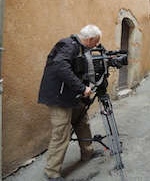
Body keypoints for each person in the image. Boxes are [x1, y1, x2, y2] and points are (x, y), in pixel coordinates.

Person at [38, 24, 104, 181]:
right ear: (90, 39)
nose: (96, 45)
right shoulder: (67, 44)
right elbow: (60, 66)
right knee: (61, 133)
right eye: (96, 42)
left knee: (83, 123)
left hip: (72, 95)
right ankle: (51, 172)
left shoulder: (80, 48)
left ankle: (88, 152)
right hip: (59, 97)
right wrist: (82, 88)